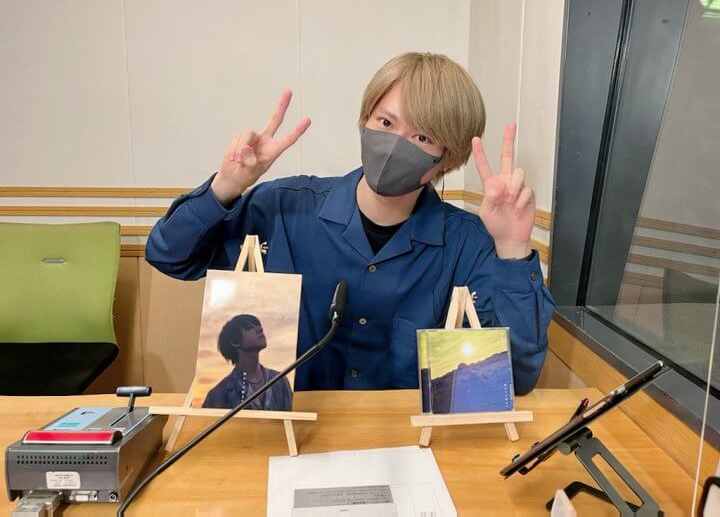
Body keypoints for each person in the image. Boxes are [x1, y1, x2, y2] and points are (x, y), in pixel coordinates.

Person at [147, 52, 554, 394]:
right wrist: (226, 186)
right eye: (386, 123)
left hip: (408, 445)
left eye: (422, 138)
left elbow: (514, 377)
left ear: (446, 159)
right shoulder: (282, 207)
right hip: (287, 436)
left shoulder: (469, 244)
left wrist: (513, 249)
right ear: (364, 122)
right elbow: (170, 257)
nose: (394, 146)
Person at [202, 314, 292, 410]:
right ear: (235, 341)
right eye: (249, 328)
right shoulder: (218, 394)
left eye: (258, 325)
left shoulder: (280, 381)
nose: (259, 329)